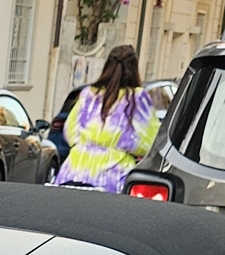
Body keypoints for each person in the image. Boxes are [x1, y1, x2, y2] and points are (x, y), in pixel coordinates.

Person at [53, 44, 161, 192]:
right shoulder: (137, 97)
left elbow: (70, 131)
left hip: (74, 171)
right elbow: (151, 141)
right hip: (113, 176)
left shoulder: (89, 94)